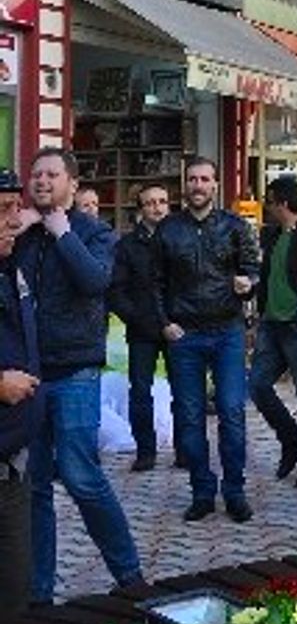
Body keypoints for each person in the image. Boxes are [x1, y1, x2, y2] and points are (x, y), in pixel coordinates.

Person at [15, 148, 147, 603]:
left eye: (52, 174)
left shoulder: (95, 233)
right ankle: (38, 591)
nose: (42, 181)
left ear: (72, 183)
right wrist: (22, 232)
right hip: (30, 374)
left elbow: (95, 282)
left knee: (80, 474)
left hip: (76, 372)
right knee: (35, 485)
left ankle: (129, 575)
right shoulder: (25, 234)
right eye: (36, 175)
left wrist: (64, 234)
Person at [155, 155, 259, 523]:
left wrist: (249, 285)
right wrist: (164, 322)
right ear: (185, 185)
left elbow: (253, 269)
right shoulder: (167, 229)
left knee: (232, 411)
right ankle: (201, 490)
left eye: (205, 179)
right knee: (189, 417)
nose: (198, 185)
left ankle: (234, 490)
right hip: (184, 335)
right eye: (193, 179)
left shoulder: (234, 226)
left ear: (216, 185)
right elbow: (154, 283)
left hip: (227, 330)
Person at [249, 174, 297, 488]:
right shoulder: (270, 235)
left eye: (270, 201)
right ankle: (291, 438)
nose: (267, 208)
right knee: (258, 386)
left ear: (282, 202)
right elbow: (266, 275)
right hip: (271, 324)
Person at [109, 183, 181, 472]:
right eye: (150, 202)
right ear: (141, 209)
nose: (157, 207)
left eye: (162, 201)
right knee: (140, 391)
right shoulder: (126, 246)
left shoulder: (180, 239)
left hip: (177, 328)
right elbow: (116, 290)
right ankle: (146, 451)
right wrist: (137, 318)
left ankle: (185, 449)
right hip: (142, 330)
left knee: (184, 392)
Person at [0, 167, 42, 616]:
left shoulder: (13, 266)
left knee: (14, 599)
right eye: (4, 211)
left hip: (13, 461)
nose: (15, 220)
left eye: (16, 208)